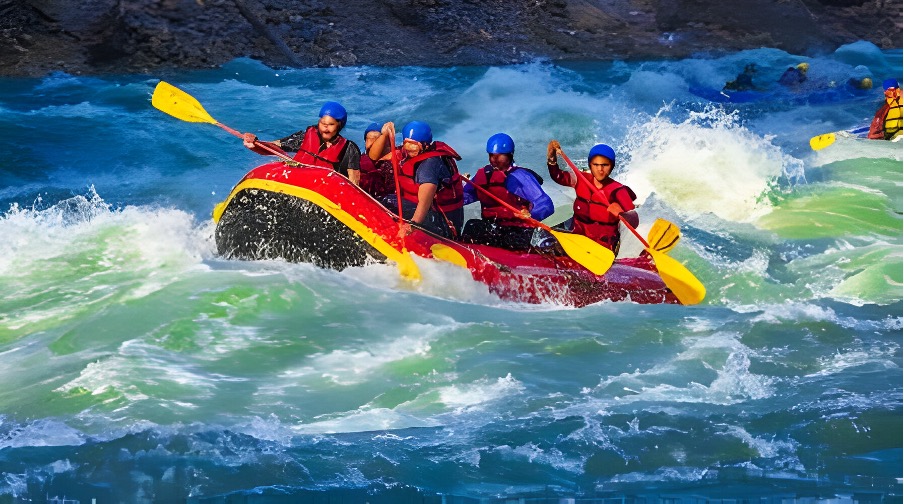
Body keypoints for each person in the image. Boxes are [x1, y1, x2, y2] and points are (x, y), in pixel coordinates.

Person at [367, 120, 464, 238]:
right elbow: (373, 156)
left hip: (443, 224)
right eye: (406, 143)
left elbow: (424, 202)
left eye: (413, 144)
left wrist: (412, 226)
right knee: (382, 199)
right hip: (426, 213)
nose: (409, 148)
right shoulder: (408, 152)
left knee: (387, 202)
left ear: (425, 144)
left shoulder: (430, 165)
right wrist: (384, 135)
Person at [460, 133, 555, 251]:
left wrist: (531, 214)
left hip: (518, 229)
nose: (493, 160)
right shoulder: (484, 175)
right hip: (494, 228)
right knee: (472, 225)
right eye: (491, 155)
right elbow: (464, 197)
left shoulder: (520, 176)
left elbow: (546, 205)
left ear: (510, 155)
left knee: (513, 239)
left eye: (498, 156)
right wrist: (450, 188)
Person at [547, 140, 638, 253]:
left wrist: (622, 213)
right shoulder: (581, 179)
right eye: (596, 165)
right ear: (590, 165)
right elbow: (558, 176)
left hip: (604, 246)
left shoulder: (618, 190)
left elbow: (634, 220)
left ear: (611, 166)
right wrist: (552, 159)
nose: (600, 169)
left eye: (605, 165)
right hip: (578, 238)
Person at [241, 101, 361, 185]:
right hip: (297, 184)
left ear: (339, 126)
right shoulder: (304, 137)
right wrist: (255, 143)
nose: (325, 128)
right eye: (323, 123)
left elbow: (354, 182)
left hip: (323, 192)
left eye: (330, 124)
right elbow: (274, 147)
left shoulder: (349, 148)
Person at [359, 122, 395, 199]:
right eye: (370, 139)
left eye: (377, 139)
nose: (374, 142)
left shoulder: (395, 159)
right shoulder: (361, 161)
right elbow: (373, 157)